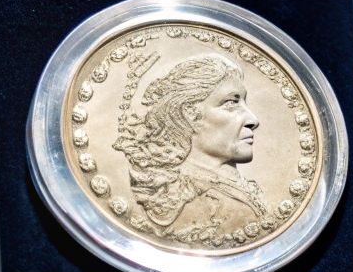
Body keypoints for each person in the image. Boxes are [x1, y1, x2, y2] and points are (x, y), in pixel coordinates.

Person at [114, 54, 270, 247]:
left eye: (244, 103)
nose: (253, 120)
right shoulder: (191, 202)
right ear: (189, 114)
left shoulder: (231, 188)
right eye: (231, 102)